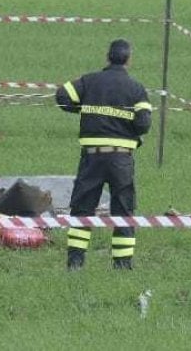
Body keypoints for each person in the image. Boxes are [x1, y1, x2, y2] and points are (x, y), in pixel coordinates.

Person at [55, 39, 152, 271]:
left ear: (107, 57)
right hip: (121, 159)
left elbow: (62, 95)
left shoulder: (90, 81)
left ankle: (75, 264)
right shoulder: (136, 88)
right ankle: (122, 265)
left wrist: (82, 108)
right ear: (129, 59)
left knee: (82, 210)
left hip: (92, 158)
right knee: (124, 211)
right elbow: (144, 124)